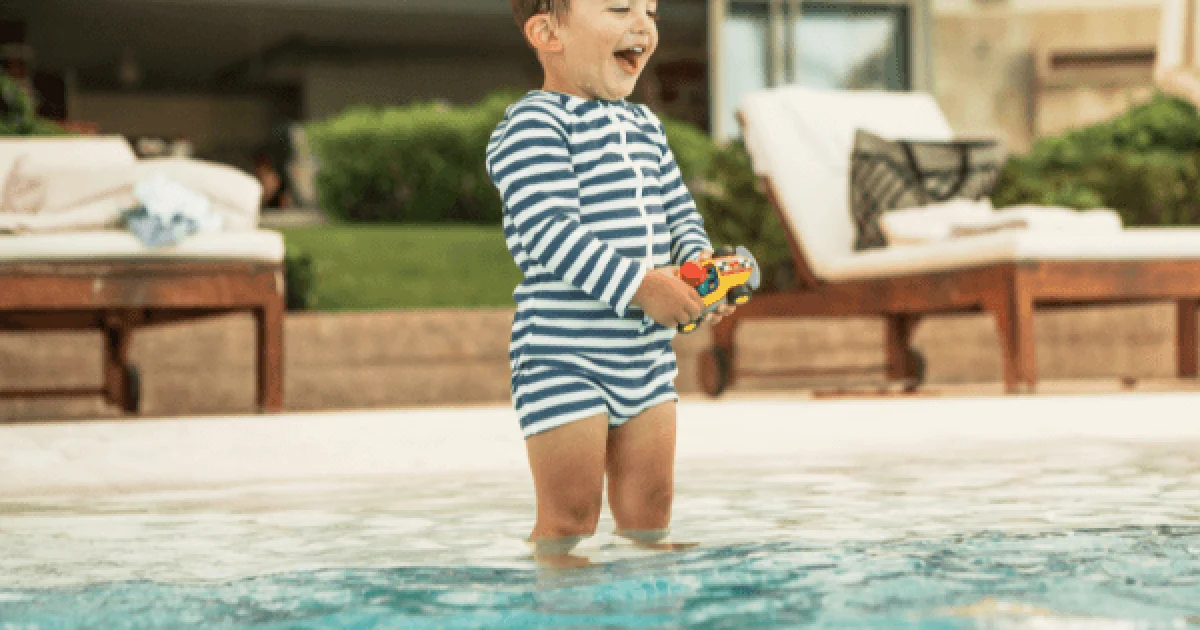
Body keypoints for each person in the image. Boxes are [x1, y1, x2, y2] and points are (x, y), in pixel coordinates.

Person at [485, 0, 736, 566]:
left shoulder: (646, 126)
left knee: (651, 514)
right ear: (547, 32)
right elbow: (549, 230)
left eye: (649, 10)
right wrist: (645, 287)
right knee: (571, 518)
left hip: (645, 359)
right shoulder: (534, 124)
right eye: (620, 7)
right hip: (564, 356)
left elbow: (680, 212)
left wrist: (699, 269)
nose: (643, 24)